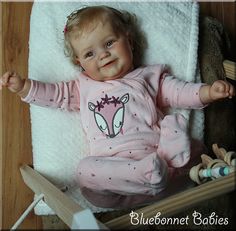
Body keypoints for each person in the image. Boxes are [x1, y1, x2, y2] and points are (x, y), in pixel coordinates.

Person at [1, 6, 235, 206]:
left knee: (177, 128)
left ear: (129, 41)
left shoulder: (147, 77)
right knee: (84, 171)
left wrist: (208, 92)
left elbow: (179, 91)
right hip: (116, 177)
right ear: (79, 63)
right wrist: (24, 87)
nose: (103, 55)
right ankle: (142, 176)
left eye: (109, 43)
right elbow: (55, 95)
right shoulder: (83, 87)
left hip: (159, 159)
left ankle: (158, 171)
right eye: (90, 53)